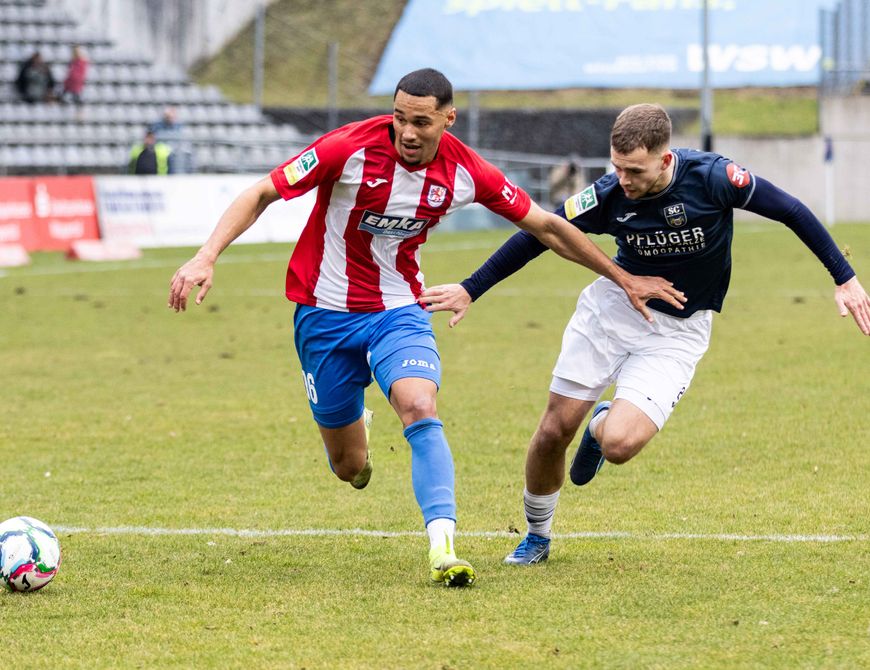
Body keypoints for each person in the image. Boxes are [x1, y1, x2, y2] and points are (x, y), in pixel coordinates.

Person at [167, 72, 683, 587]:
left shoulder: (465, 170)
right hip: (323, 315)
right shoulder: (346, 149)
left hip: (398, 310)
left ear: (446, 118)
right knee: (349, 467)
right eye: (398, 118)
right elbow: (262, 193)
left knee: (419, 405)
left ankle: (443, 548)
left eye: (420, 121)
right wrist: (206, 256)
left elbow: (545, 226)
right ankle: (356, 432)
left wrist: (622, 277)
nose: (407, 132)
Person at [420, 103, 870, 566]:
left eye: (634, 170)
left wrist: (845, 277)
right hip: (611, 313)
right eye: (617, 167)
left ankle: (601, 425)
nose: (624, 180)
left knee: (619, 445)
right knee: (555, 429)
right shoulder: (608, 193)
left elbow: (792, 210)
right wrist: (472, 288)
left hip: (679, 329)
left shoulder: (714, 178)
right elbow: (541, 233)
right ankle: (537, 534)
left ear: (665, 159)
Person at [150, 106, 191, 173]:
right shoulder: (157, 126)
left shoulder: (179, 127)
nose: (170, 119)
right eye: (168, 116)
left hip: (175, 152)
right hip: (161, 152)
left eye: (172, 117)